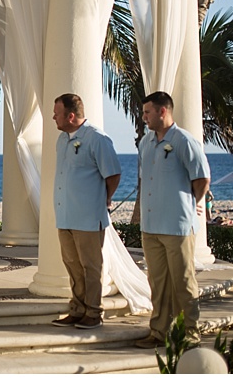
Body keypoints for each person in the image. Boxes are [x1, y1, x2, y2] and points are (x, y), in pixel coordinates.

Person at [135, 91, 210, 349]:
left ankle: (189, 334)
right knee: (157, 282)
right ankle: (158, 332)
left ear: (162, 112)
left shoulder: (185, 141)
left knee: (184, 283)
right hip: (151, 227)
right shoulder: (145, 142)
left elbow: (201, 179)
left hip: (177, 226)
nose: (144, 117)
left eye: (147, 112)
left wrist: (192, 203)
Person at [50, 93, 122, 330]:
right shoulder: (61, 140)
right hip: (65, 215)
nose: (53, 117)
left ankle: (93, 311)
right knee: (72, 264)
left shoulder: (97, 139)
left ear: (71, 116)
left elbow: (112, 174)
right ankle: (77, 309)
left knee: (91, 266)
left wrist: (104, 198)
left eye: (57, 113)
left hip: (88, 216)